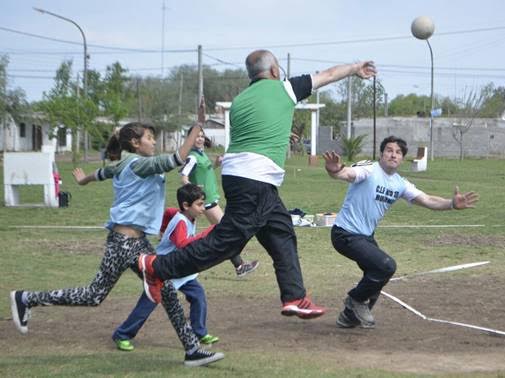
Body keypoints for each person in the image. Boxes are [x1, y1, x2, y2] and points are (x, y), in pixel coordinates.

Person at [138, 49, 377, 320]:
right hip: (255, 180)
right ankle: (157, 268)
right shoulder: (285, 89)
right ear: (275, 71)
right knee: (226, 242)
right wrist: (356, 67)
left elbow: (258, 132)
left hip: (245, 177)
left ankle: (294, 296)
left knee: (281, 232)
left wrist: (280, 135)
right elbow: (329, 75)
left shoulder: (241, 100)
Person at [10, 122, 224, 368]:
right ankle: (26, 298)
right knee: (94, 295)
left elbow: (104, 173)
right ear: (135, 143)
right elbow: (176, 158)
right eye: (150, 138)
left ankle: (192, 350)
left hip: (138, 243)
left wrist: (84, 181)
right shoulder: (140, 164)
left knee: (165, 290)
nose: (154, 142)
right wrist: (196, 129)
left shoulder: (124, 163)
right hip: (123, 244)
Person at [322, 136, 479, 328]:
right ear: (381, 154)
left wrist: (451, 204)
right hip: (345, 233)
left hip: (365, 236)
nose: (393, 155)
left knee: (377, 276)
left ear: (402, 158)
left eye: (398, 152)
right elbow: (348, 174)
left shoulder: (400, 183)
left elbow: (427, 200)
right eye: (389, 150)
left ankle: (348, 317)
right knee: (386, 266)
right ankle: (354, 300)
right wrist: (336, 170)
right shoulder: (369, 170)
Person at [113, 184, 219, 351]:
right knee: (148, 303)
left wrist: (162, 228)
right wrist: (206, 233)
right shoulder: (182, 222)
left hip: (180, 270)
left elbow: (169, 211)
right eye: (199, 204)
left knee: (198, 295)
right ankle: (122, 334)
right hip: (162, 270)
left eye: (202, 203)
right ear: (186, 205)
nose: (203, 208)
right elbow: (182, 243)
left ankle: (199, 332)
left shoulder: (186, 216)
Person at [180, 125, 259, 278]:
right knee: (227, 234)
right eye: (196, 136)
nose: (200, 138)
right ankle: (240, 266)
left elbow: (204, 173)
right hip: (206, 202)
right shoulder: (193, 157)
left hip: (209, 200)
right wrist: (193, 189)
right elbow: (184, 177)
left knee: (220, 235)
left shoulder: (201, 155)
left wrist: (216, 164)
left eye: (202, 136)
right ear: (190, 139)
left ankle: (239, 265)